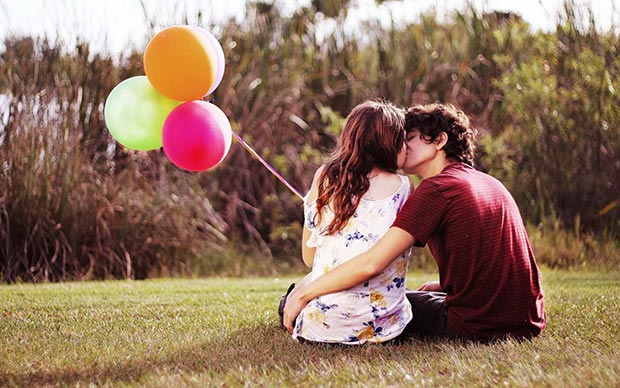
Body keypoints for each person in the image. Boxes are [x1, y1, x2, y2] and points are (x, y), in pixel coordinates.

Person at [283, 103, 546, 342]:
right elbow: (499, 261)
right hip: (528, 320)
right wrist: (445, 287)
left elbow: (372, 263)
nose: (402, 146)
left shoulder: (436, 190)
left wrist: (304, 294)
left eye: (409, 139)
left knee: (383, 301)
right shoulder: (487, 182)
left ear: (439, 141)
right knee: (412, 295)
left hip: (476, 326)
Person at [278, 99, 412, 345]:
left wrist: (312, 205)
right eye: (402, 140)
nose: (407, 147)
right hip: (385, 326)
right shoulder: (403, 187)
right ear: (389, 143)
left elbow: (309, 259)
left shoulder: (325, 176)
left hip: (324, 325)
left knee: (291, 297)